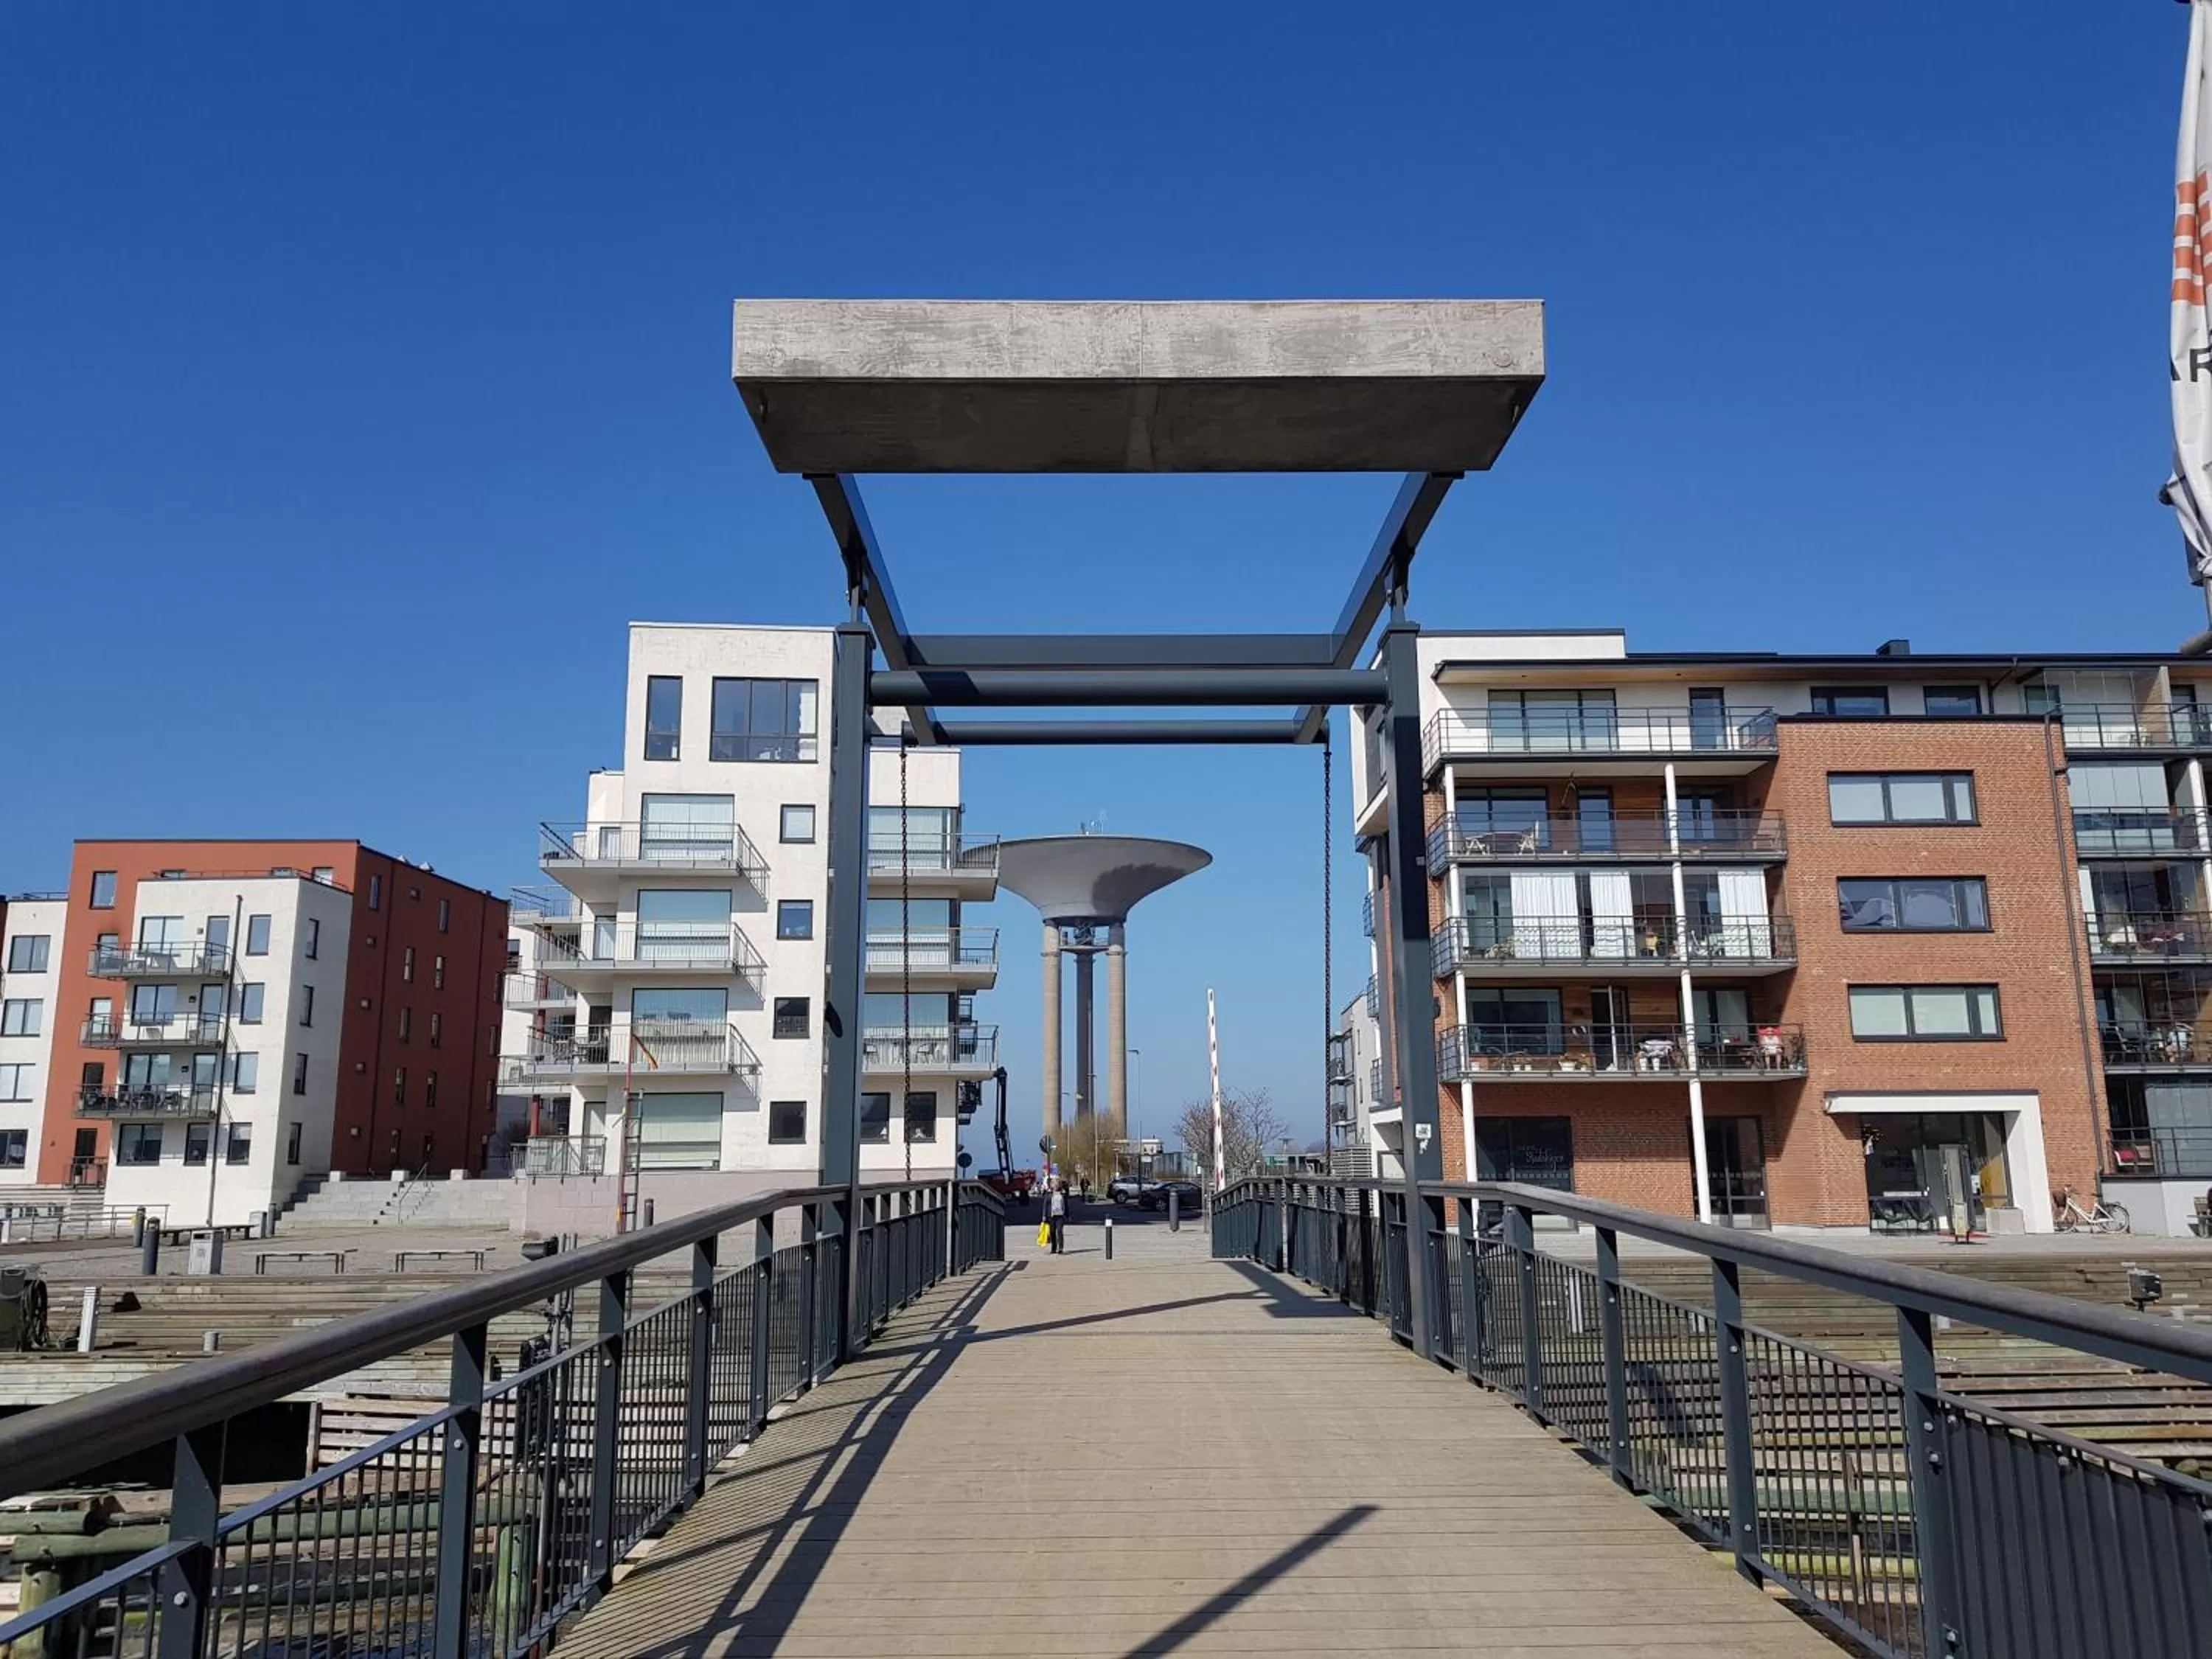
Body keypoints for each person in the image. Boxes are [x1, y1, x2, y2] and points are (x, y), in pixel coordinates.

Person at [1047, 1179, 1068, 1254]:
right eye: (1054, 1184)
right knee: (1052, 1232)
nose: (1055, 1186)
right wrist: (1044, 1216)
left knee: (1059, 1231)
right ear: (1051, 1185)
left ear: (1059, 1185)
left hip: (1060, 1216)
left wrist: (1067, 1215)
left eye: (1057, 1184)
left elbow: (1066, 1205)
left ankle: (1061, 1248)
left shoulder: (1063, 1193)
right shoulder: (1049, 1193)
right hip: (1051, 1216)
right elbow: (1046, 1205)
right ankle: (1053, 1248)